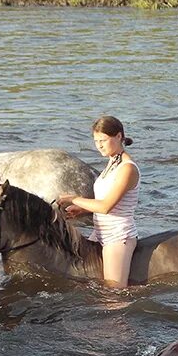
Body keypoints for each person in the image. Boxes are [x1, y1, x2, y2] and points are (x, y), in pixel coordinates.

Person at [56, 116, 140, 288]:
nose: (99, 145)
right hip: (100, 233)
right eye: (96, 141)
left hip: (118, 236)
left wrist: (73, 198)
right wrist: (82, 209)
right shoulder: (112, 162)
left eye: (103, 140)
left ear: (118, 136)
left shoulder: (128, 168)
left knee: (113, 294)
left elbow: (106, 206)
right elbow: (107, 200)